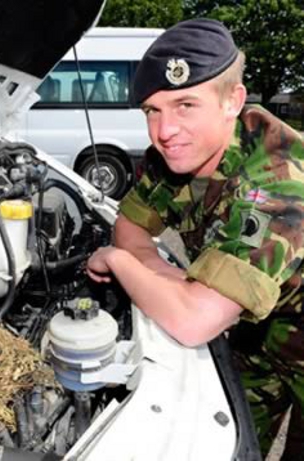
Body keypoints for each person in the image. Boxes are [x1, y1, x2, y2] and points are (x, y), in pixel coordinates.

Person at [86, 18, 304, 459]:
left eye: (185, 105)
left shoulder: (279, 182)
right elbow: (130, 224)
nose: (165, 131)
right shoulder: (176, 155)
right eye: (153, 110)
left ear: (233, 101)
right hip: (258, 340)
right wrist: (169, 280)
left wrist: (121, 262)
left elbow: (193, 321)